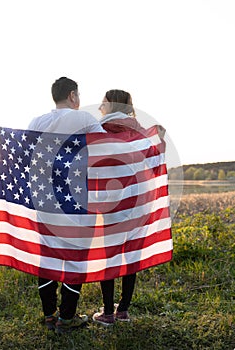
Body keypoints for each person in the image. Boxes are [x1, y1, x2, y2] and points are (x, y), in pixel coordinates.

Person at [28, 76, 105, 334]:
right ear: (72, 95)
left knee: (47, 257)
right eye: (79, 95)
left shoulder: (36, 122)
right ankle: (67, 318)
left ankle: (49, 315)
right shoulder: (83, 118)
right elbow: (108, 148)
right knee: (75, 258)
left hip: (44, 200)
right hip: (75, 200)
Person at [92, 89, 145, 326]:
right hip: (136, 201)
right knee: (131, 254)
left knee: (109, 255)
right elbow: (152, 156)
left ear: (110, 104)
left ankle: (107, 313)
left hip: (110, 202)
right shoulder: (139, 130)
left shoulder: (99, 129)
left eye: (103, 101)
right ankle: (123, 309)